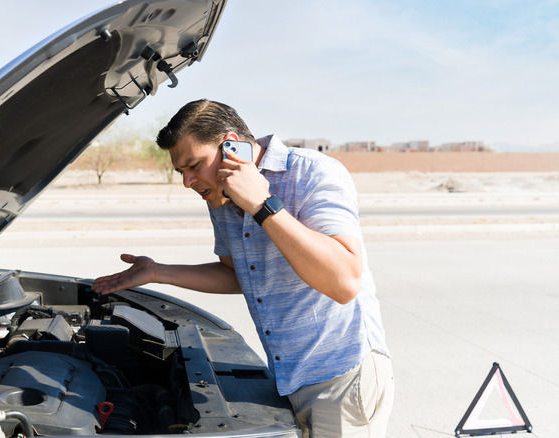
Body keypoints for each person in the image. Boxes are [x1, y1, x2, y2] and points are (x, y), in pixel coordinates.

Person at [93, 99, 393, 437]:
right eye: (181, 172)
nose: (188, 182)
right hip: (288, 378)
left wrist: (262, 205)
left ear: (232, 145)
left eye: (194, 165)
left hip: (342, 380)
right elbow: (240, 274)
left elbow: (345, 281)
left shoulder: (312, 171)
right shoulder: (221, 197)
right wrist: (158, 272)